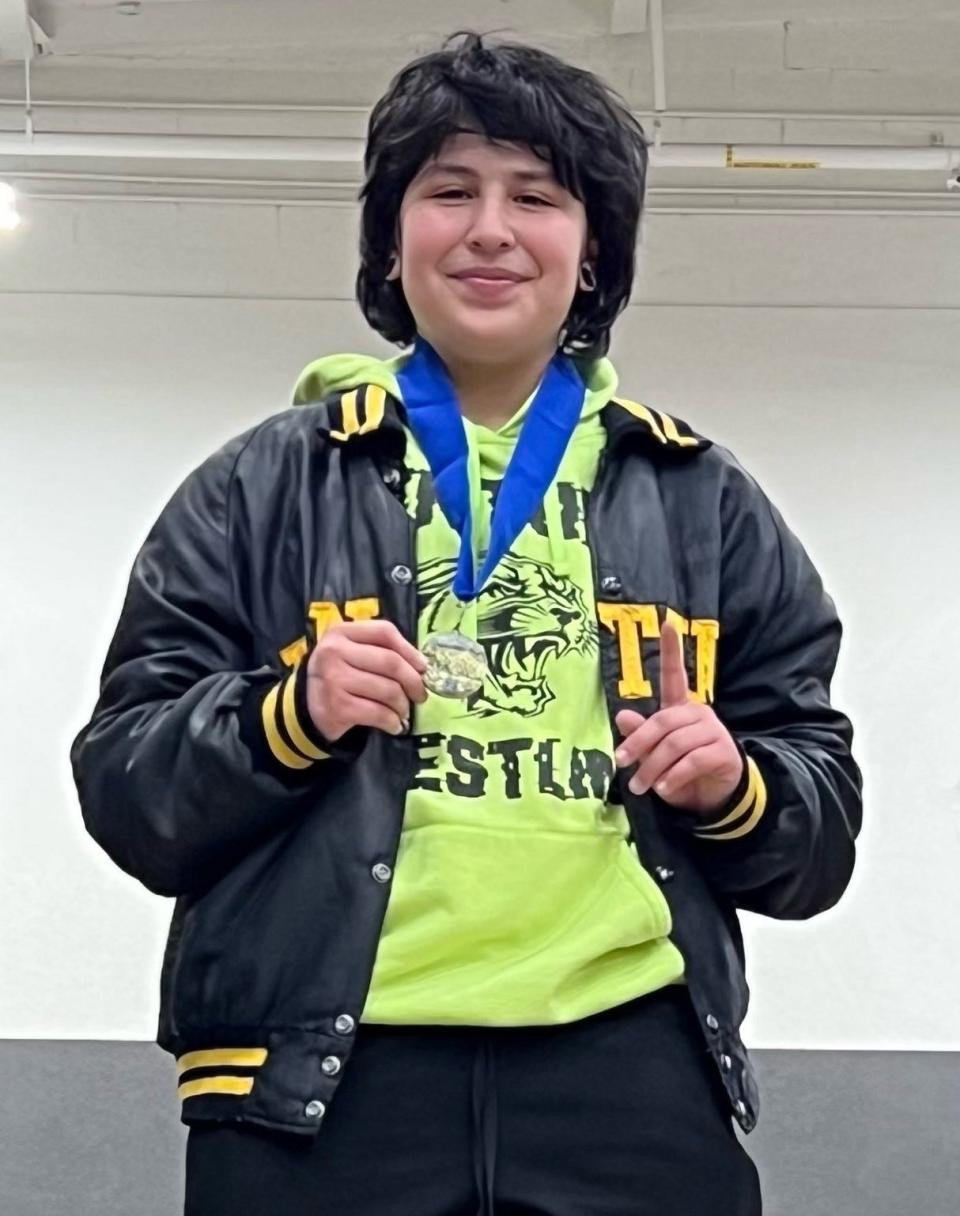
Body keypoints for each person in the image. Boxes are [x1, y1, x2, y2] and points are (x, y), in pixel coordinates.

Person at [71, 30, 862, 1216]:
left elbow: (824, 821)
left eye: (538, 196)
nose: (491, 228)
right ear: (396, 238)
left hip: (631, 1069)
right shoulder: (258, 487)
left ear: (593, 252)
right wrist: (287, 715)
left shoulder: (703, 500)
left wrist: (733, 783)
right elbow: (127, 789)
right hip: (315, 1088)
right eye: (449, 191)